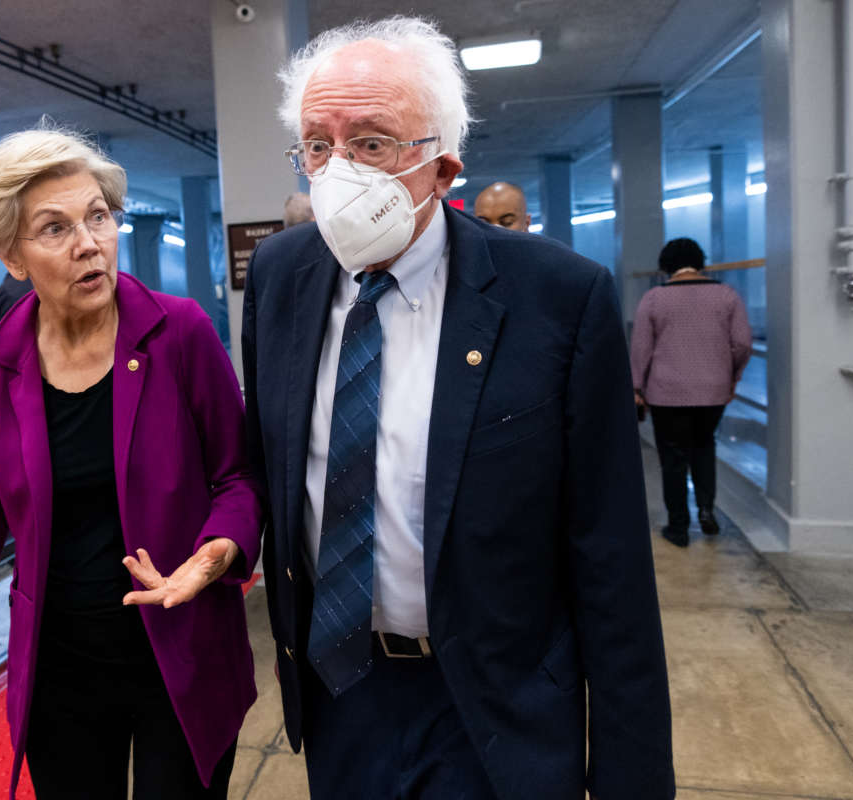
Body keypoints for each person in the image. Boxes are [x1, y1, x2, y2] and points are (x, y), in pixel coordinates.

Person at [244, 16, 674, 800]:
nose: (336, 172)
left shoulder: (557, 297)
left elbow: (610, 559)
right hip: (342, 689)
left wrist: (631, 776)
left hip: (495, 704)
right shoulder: (280, 277)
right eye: (317, 144)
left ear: (441, 167)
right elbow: (269, 465)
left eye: (370, 143)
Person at [0, 126, 262, 800]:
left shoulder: (180, 334)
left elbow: (239, 476)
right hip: (60, 662)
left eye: (98, 217)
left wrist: (212, 556)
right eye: (54, 229)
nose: (89, 243)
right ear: (11, 255)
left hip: (181, 647)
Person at [631, 237, 751, 548]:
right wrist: (732, 376)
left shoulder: (654, 298)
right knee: (703, 447)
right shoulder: (727, 295)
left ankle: (678, 527)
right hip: (713, 391)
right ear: (701, 262)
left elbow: (641, 348)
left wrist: (636, 387)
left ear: (665, 266)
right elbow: (742, 343)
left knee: (672, 458)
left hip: (665, 392)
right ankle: (708, 511)